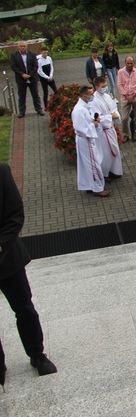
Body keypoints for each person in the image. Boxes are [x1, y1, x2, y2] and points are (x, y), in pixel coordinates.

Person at [0, 163, 57, 390]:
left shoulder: (2, 172)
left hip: (7, 259)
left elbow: (15, 215)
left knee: (24, 308)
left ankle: (37, 355)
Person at [72, 86, 111, 197]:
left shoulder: (85, 107)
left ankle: (89, 185)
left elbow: (87, 121)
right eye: (91, 94)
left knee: (87, 164)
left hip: (84, 138)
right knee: (93, 164)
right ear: (85, 96)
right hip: (85, 139)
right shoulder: (79, 110)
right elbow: (80, 127)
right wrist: (93, 125)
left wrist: (94, 121)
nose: (93, 96)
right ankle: (98, 188)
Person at [91, 77, 123, 180]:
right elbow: (97, 117)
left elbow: (114, 108)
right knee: (105, 154)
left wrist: (115, 114)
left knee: (114, 150)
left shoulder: (107, 96)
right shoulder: (94, 100)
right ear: (96, 87)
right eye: (103, 86)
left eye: (105, 85)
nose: (105, 88)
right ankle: (105, 173)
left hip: (111, 129)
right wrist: (111, 117)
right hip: (103, 131)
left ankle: (115, 170)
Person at [10, 41, 44, 118]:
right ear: (18, 47)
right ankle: (22, 112)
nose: (23, 47)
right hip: (21, 79)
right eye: (21, 46)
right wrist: (22, 74)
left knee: (35, 95)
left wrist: (29, 75)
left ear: (27, 46)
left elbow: (35, 65)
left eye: (24, 46)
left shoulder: (32, 54)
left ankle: (39, 109)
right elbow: (13, 66)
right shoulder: (14, 55)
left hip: (32, 78)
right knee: (21, 96)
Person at [117, 56, 136, 143]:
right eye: (128, 63)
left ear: (134, 63)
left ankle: (135, 133)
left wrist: (134, 94)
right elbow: (119, 85)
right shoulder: (120, 72)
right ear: (125, 63)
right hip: (125, 98)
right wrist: (127, 95)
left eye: (131, 63)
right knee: (124, 118)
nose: (129, 65)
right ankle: (125, 134)